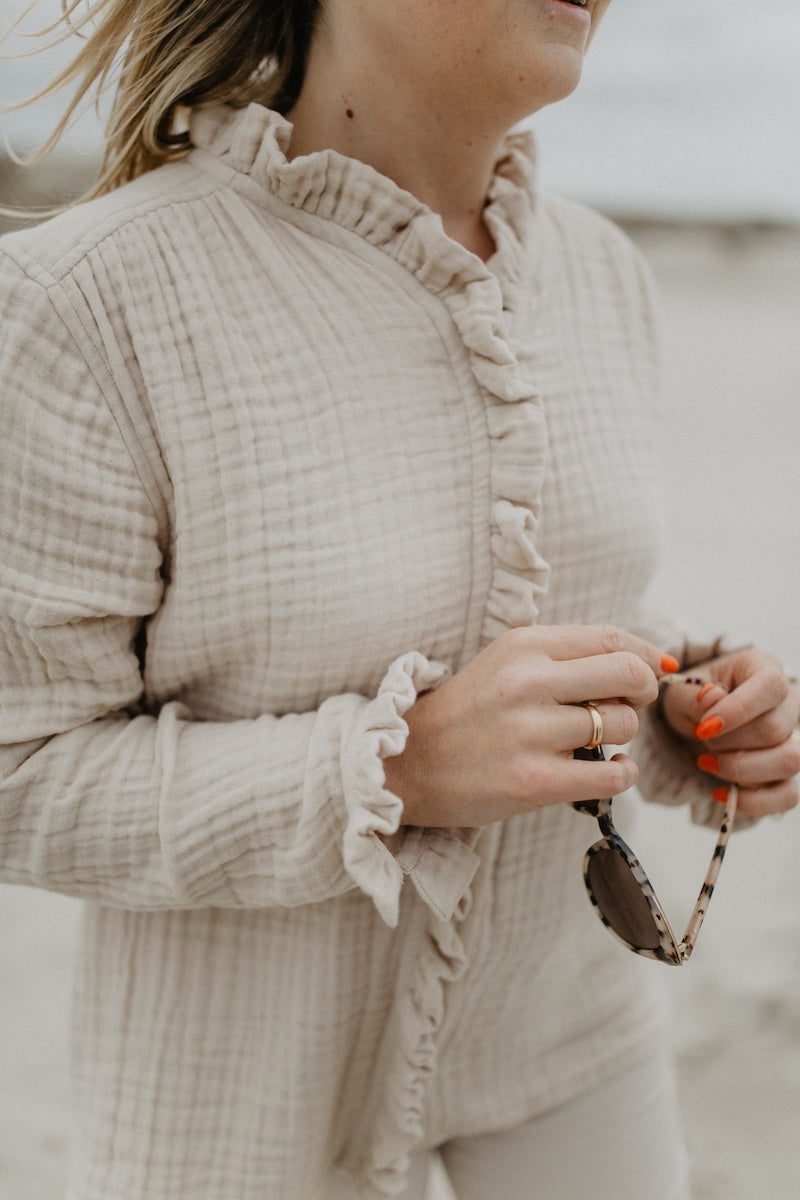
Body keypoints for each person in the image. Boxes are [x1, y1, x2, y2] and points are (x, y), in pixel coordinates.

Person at [1, 1, 798, 1197]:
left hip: (572, 1038)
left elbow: (526, 590)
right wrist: (397, 767)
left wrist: (683, 705)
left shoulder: (600, 272)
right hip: (230, 1105)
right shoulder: (85, 298)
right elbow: (19, 770)